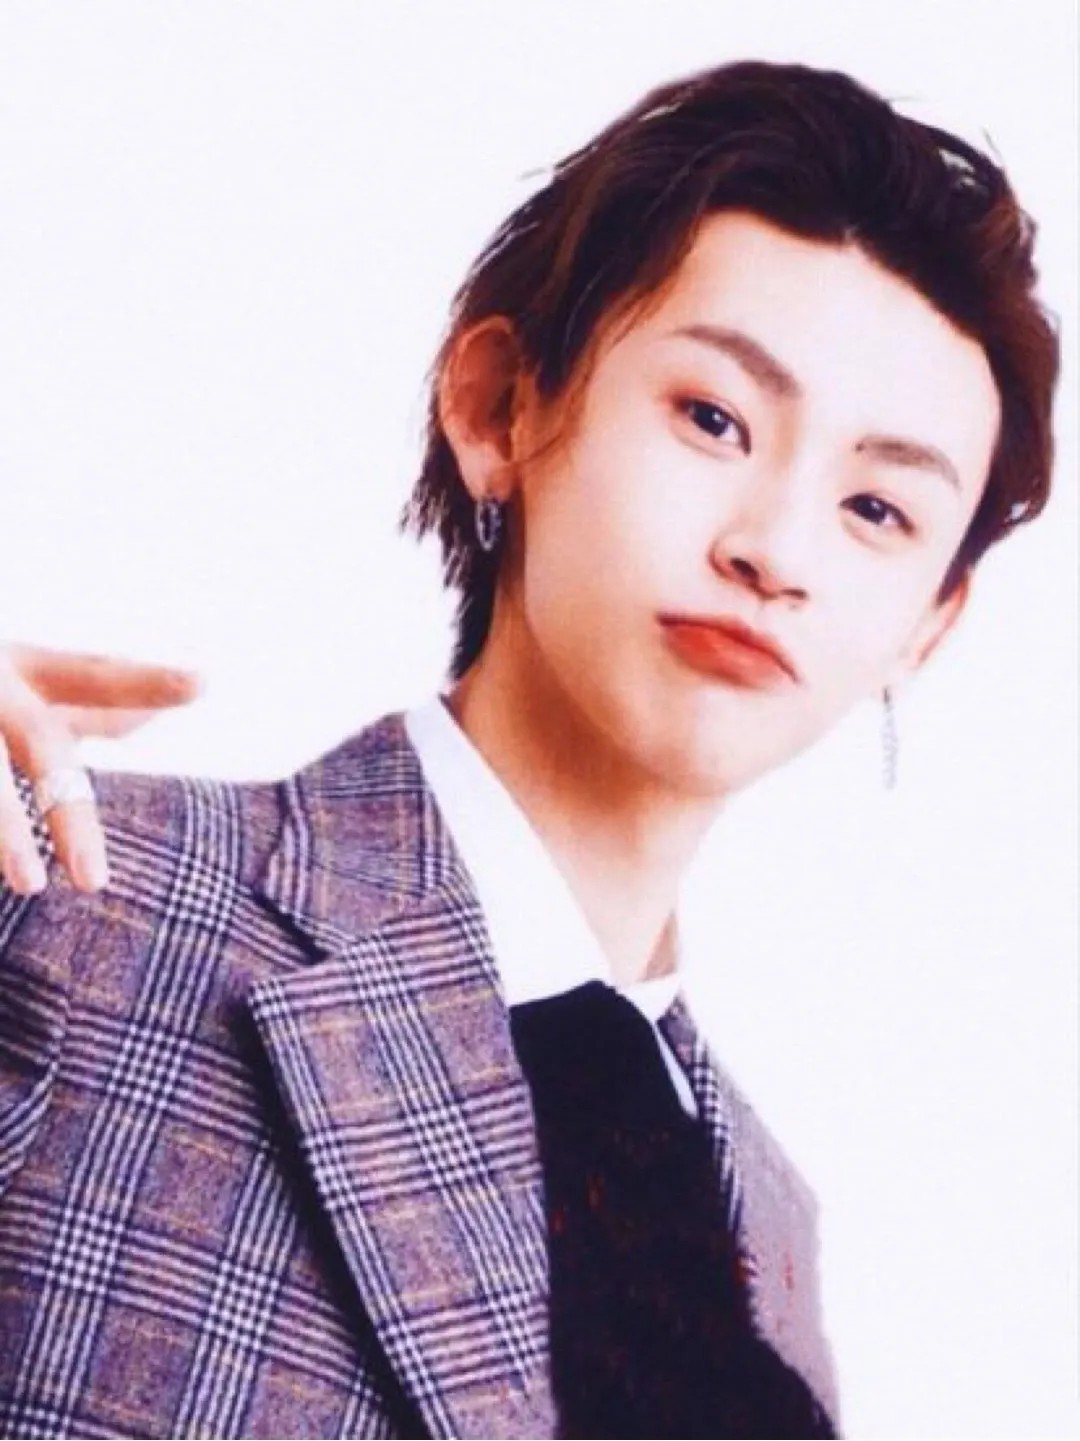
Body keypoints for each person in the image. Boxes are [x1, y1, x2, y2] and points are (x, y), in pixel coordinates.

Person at [0, 58, 1059, 1440]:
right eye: (715, 419)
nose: (778, 549)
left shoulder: (769, 1227)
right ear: (499, 405)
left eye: (877, 509)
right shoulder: (73, 904)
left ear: (928, 623)